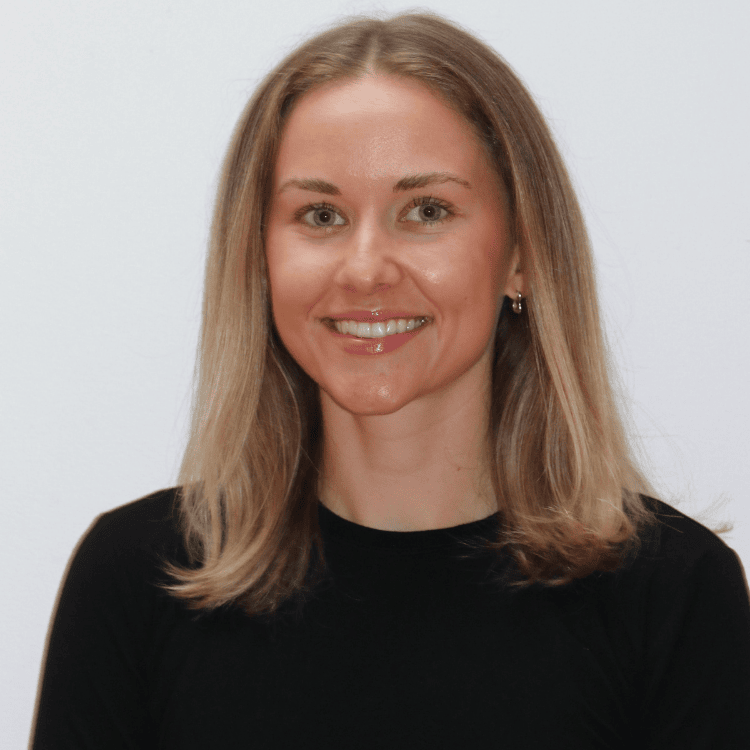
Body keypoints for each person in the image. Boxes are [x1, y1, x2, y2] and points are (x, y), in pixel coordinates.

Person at [31, 11, 750, 749]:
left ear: (522, 254)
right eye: (321, 214)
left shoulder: (673, 597)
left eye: (426, 210)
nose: (367, 267)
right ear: (259, 257)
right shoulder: (137, 583)